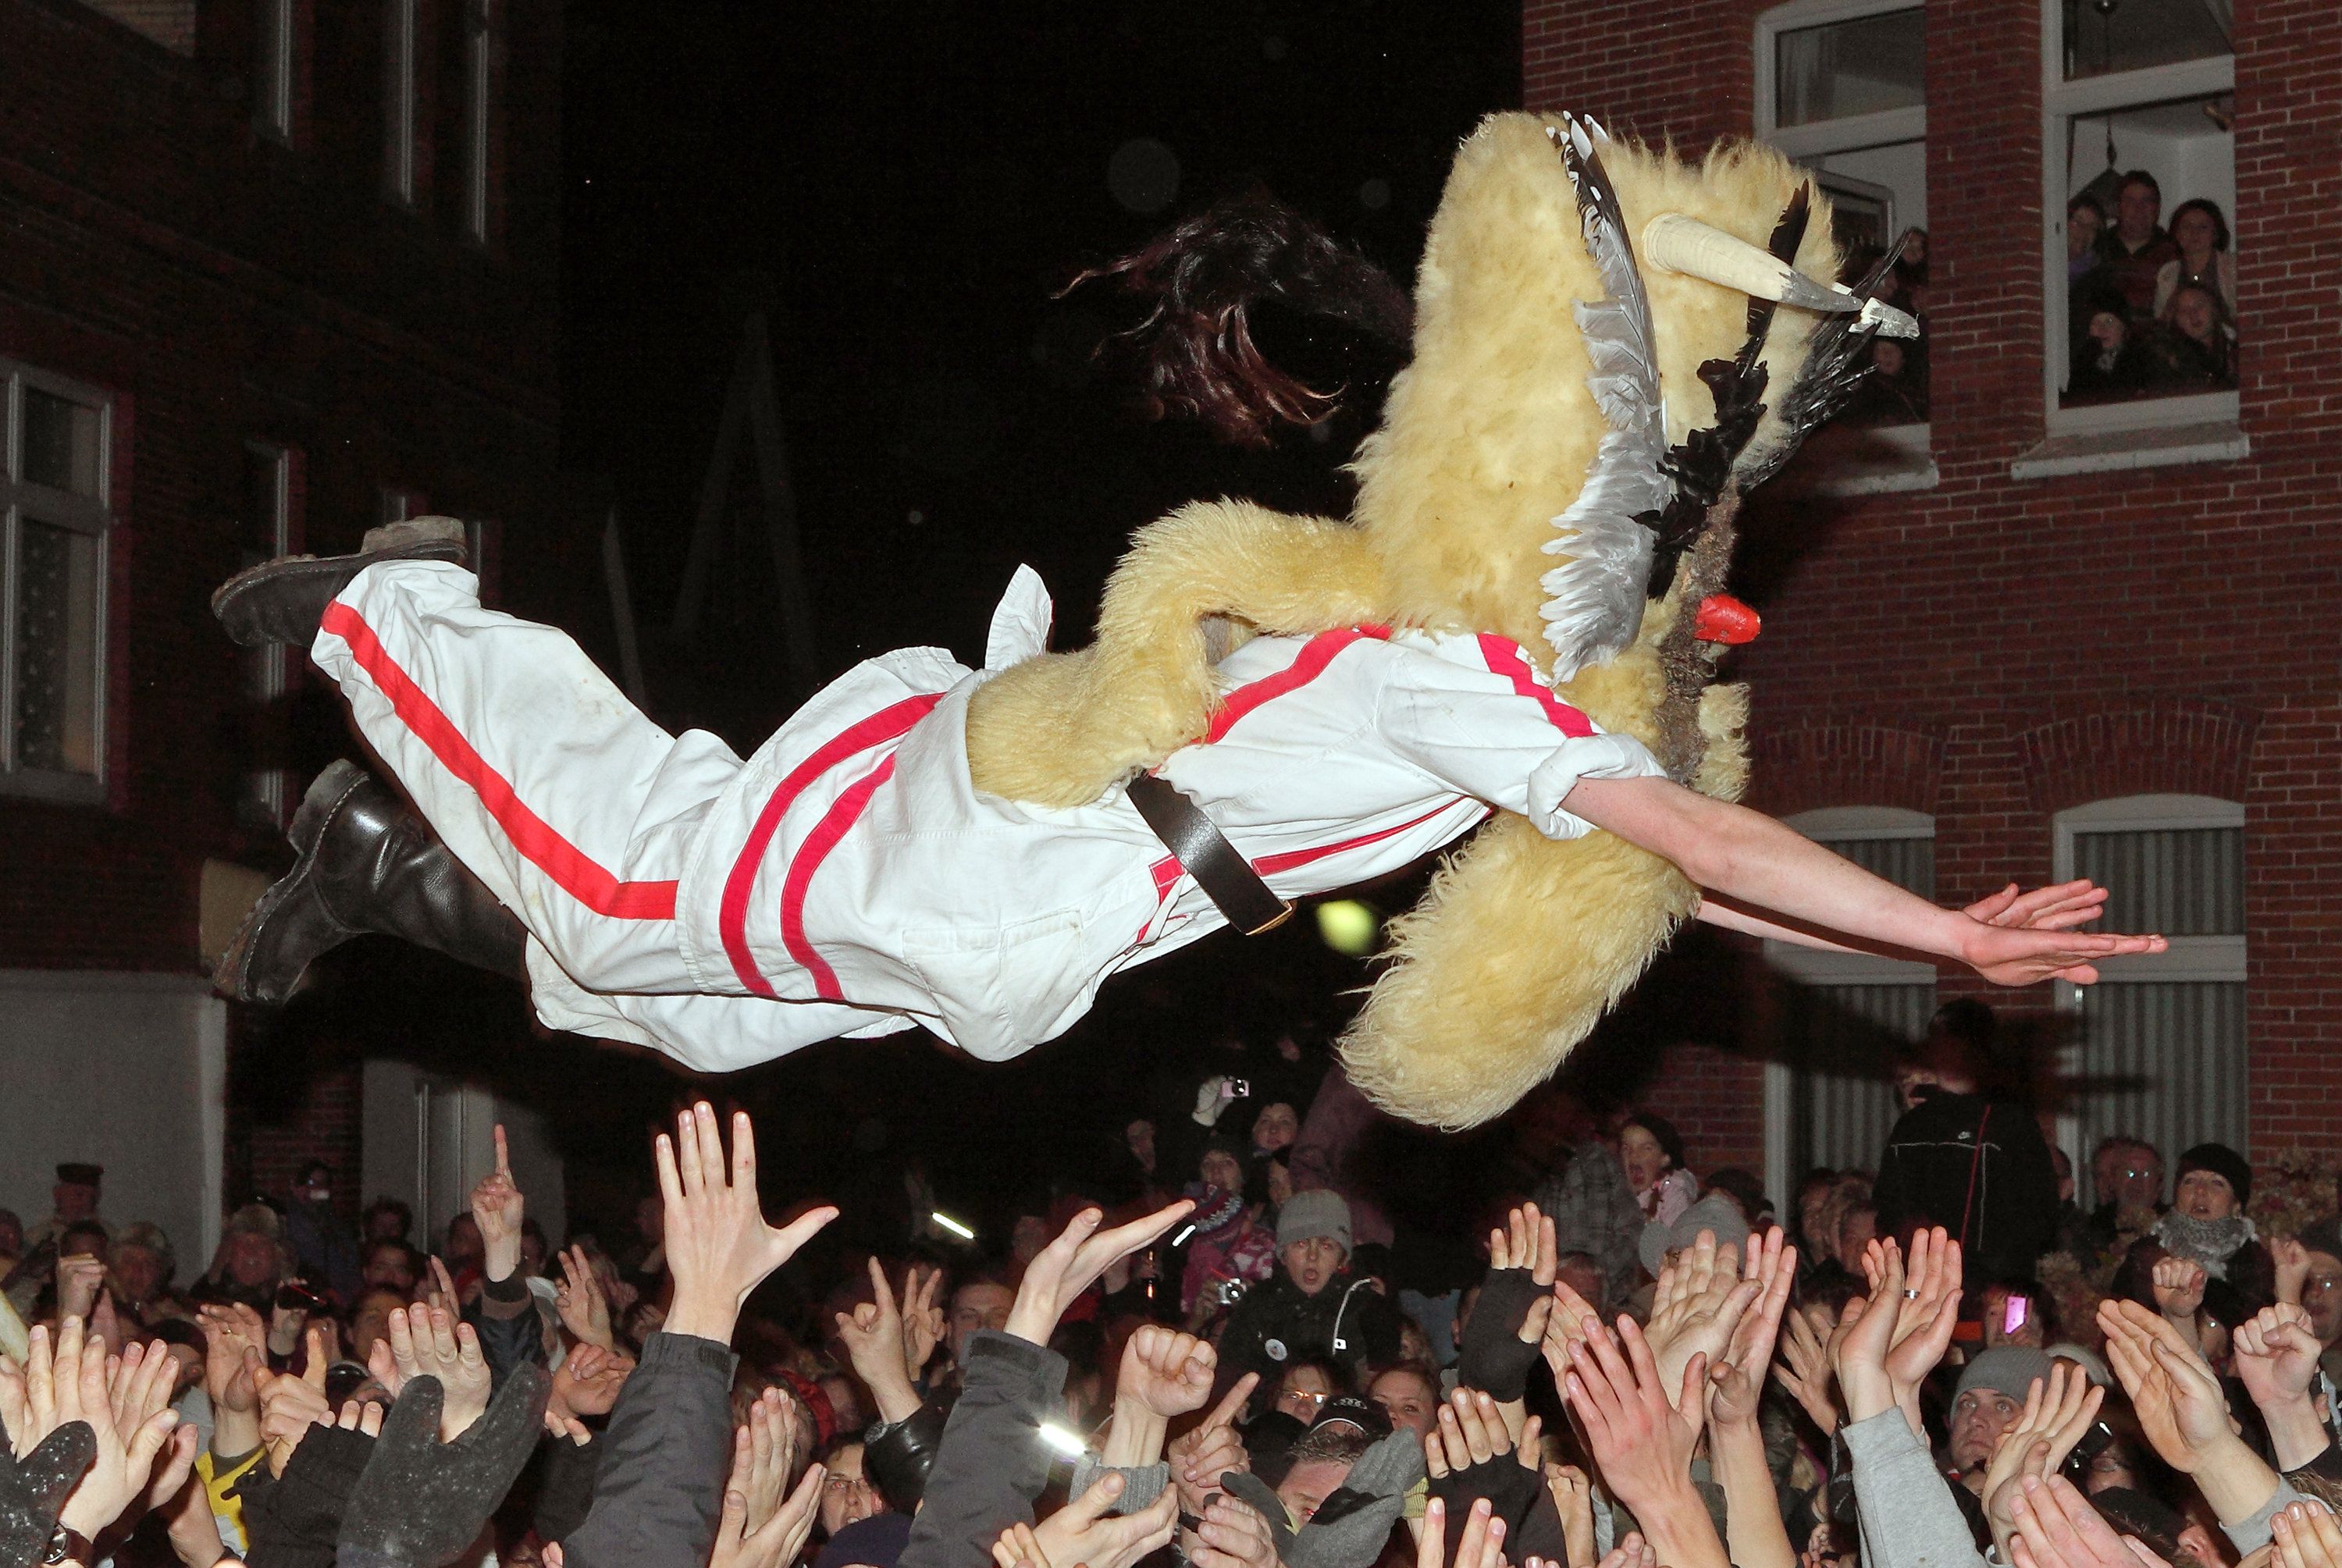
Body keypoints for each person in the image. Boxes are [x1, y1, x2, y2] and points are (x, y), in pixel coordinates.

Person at [205, 525, 2159, 1084]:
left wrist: (1891, 946)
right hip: (1019, 837)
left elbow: (1680, 883)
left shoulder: (1493, 721)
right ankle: (391, 604)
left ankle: (377, 875)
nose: (1666, 687)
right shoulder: (1458, 670)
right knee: (640, 886)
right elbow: (1702, 845)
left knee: (684, 1015)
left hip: (1081, 896)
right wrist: (1945, 938)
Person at [1873, 1001, 2062, 1281]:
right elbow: (1889, 1208)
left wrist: (2006, 1273)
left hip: (1995, 1288)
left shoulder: (2010, 1121)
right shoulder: (1912, 1125)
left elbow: (2039, 1212)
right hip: (1922, 1285)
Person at [1215, 1189, 1401, 1396]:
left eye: (1326, 1245)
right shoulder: (1258, 1304)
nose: (1313, 1257)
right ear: (1283, 1255)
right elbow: (1230, 1371)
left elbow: (1382, 1385)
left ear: (1343, 1258)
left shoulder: (1367, 1306)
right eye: (1301, 1244)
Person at [2097, 169, 2179, 320]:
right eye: (2130, 201)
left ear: (2158, 208)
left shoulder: (2174, 252)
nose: (2138, 208)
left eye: (2147, 201)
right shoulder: (2097, 247)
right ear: (2118, 208)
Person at [2153, 197, 2237, 320]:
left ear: (2216, 234)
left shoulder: (2233, 268)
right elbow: (2161, 321)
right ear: (2177, 234)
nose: (2194, 232)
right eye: (2187, 226)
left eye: (2203, 227)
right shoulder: (2167, 274)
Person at [1620, 1112, 1696, 1225]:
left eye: (1646, 1148)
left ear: (1664, 1158)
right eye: (1626, 1147)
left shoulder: (1675, 1195)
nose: (1633, 1155)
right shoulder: (1612, 1189)